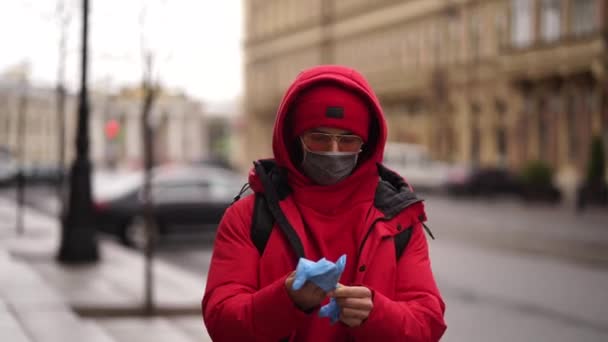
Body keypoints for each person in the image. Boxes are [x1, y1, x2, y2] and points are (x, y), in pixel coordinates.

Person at [202, 65, 446, 341]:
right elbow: (221, 323)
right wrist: (287, 299)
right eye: (318, 138)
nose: (333, 151)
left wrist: (375, 314)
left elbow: (428, 324)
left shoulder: (398, 220)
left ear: (367, 143)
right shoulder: (247, 217)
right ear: (294, 140)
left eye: (348, 141)